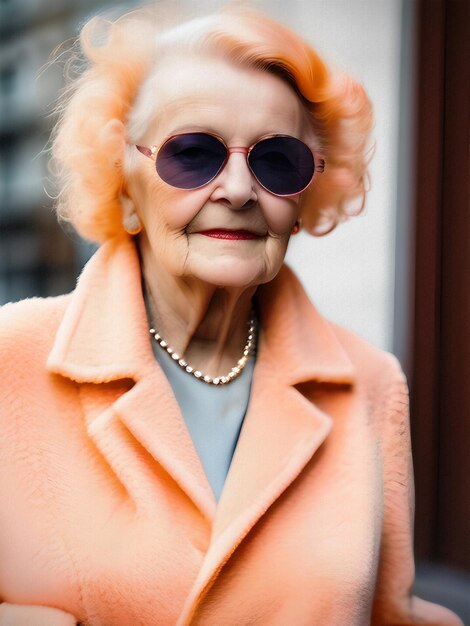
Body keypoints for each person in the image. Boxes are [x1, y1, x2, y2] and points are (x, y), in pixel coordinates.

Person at [0, 4, 464, 626]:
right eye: (192, 154)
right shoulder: (11, 360)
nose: (240, 190)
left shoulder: (370, 385)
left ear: (305, 196)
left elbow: (390, 615)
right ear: (123, 177)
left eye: (278, 161)